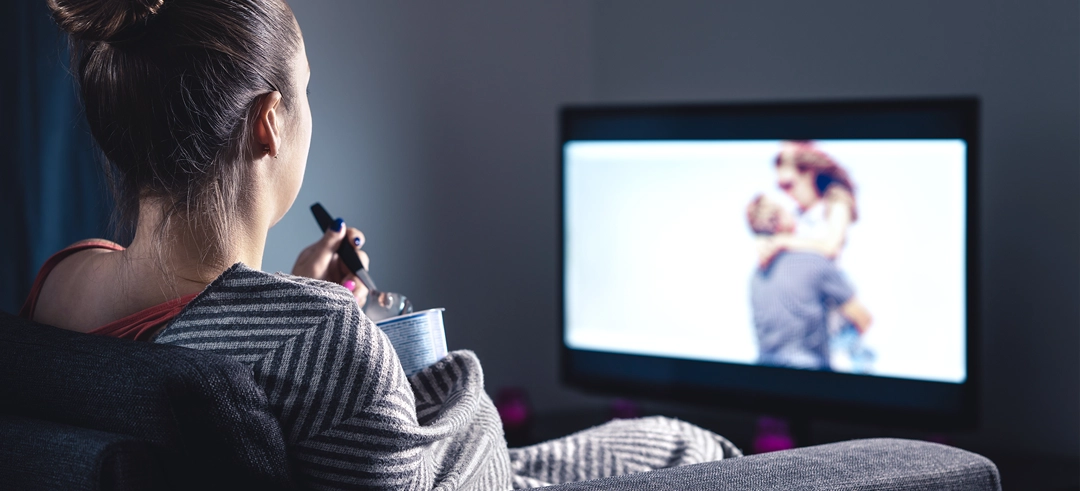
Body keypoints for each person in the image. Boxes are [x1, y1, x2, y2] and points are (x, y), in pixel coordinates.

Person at [19, 0, 739, 489]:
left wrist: (302, 298)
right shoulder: (320, 337)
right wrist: (395, 343)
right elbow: (477, 468)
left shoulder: (64, 279)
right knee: (687, 447)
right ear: (270, 122)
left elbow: (195, 325)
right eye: (305, 90)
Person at [745, 195, 872, 370]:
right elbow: (863, 318)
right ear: (781, 219)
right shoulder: (813, 262)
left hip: (766, 378)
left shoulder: (757, 277)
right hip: (810, 379)